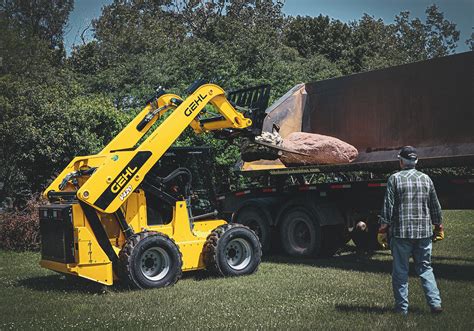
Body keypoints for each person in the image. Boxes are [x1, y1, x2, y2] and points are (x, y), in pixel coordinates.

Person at [378, 146, 445, 315]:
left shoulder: (394, 179)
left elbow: (388, 207)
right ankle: (435, 304)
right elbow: (435, 206)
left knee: (400, 271)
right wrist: (439, 226)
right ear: (416, 161)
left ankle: (402, 309)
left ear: (401, 161)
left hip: (401, 233)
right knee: (425, 268)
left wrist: (382, 230)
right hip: (424, 233)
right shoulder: (426, 179)